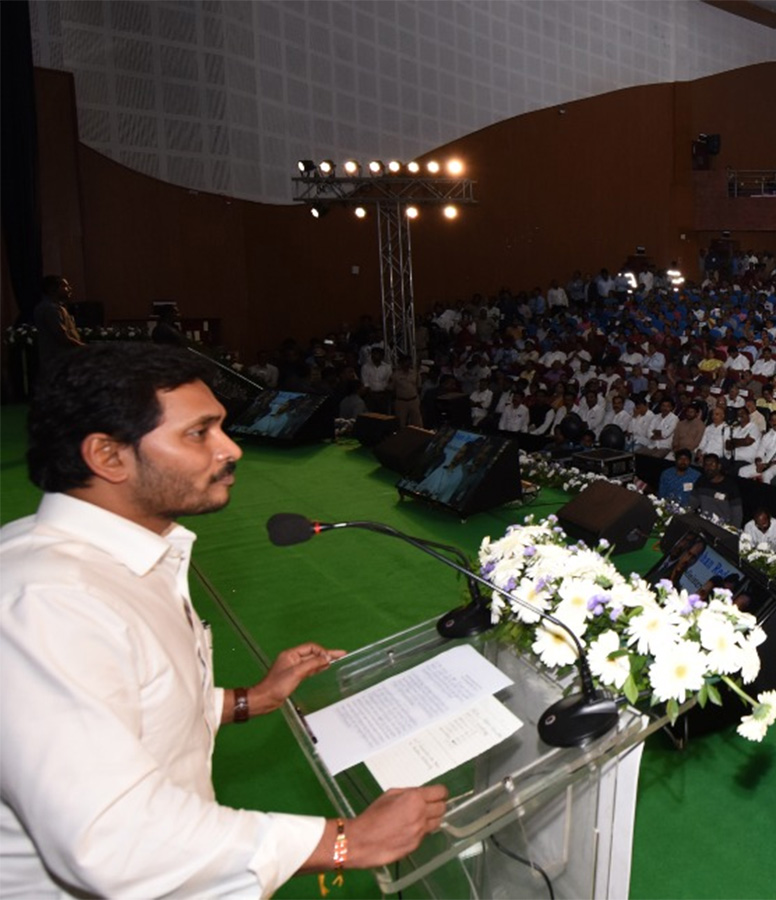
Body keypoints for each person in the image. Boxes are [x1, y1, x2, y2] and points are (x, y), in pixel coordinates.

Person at [0, 343, 447, 897]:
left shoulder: (114, 560)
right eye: (199, 433)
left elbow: (135, 705)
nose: (231, 448)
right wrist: (348, 841)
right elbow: (113, 841)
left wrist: (250, 700)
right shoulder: (47, 603)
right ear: (108, 456)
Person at [32, 274, 85, 374]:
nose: (69, 289)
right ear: (52, 289)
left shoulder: (55, 307)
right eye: (65, 286)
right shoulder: (50, 309)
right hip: (58, 362)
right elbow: (62, 337)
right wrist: (86, 348)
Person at [690, 452, 743, 527]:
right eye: (706, 465)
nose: (709, 468)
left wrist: (732, 531)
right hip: (703, 523)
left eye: (712, 464)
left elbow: (737, 514)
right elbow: (692, 503)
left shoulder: (730, 485)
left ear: (719, 466)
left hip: (722, 527)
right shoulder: (701, 480)